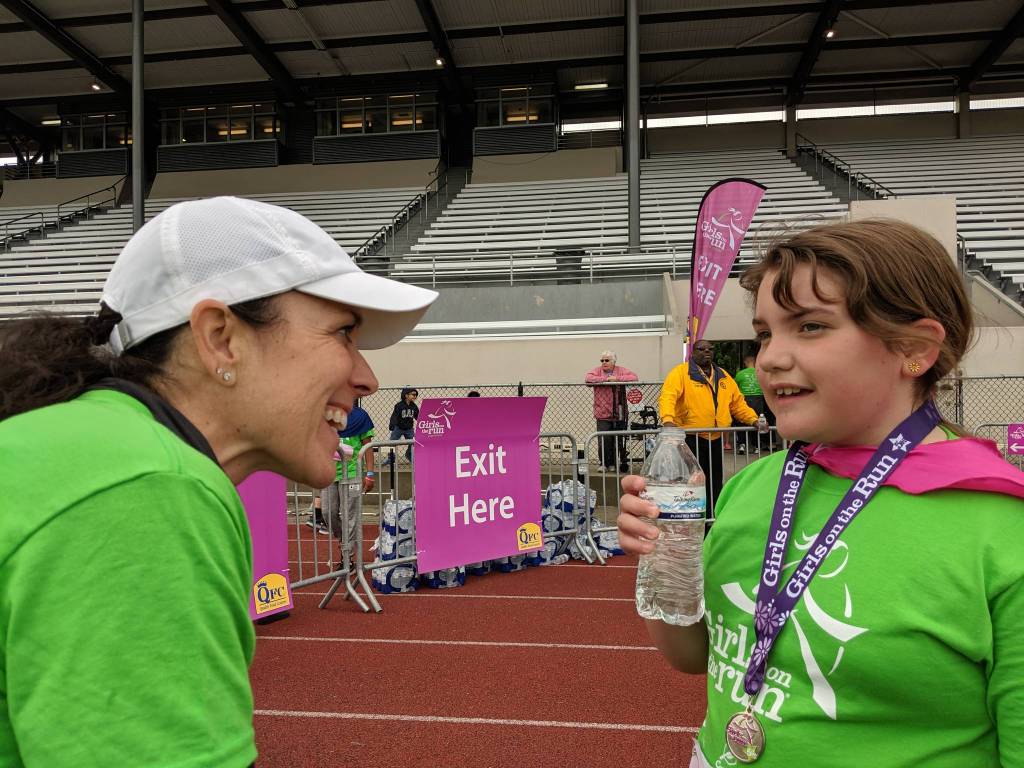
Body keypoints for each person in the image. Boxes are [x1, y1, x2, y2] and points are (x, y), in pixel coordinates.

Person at [0, 196, 438, 767]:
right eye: (342, 334)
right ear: (220, 337)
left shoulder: (93, 446)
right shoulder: (146, 486)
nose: (367, 378)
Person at [618, 219, 1024, 767]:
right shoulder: (751, 487)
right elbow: (694, 657)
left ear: (915, 348)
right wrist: (664, 556)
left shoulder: (1002, 532)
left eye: (809, 327)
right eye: (764, 333)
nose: (769, 359)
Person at [659, 339, 762, 515]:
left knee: (714, 482)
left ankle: (712, 519)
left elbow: (737, 404)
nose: (707, 352)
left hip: (714, 438)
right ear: (693, 352)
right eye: (701, 349)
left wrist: (753, 420)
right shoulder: (680, 373)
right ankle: (693, 517)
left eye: (710, 349)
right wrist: (668, 420)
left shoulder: (723, 376)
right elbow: (668, 396)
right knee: (693, 482)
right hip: (691, 438)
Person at [323, 402, 375, 571]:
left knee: (349, 515)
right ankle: (344, 542)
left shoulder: (361, 417)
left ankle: (348, 557)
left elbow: (368, 447)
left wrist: (370, 474)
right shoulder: (325, 415)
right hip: (329, 472)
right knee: (327, 512)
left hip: (352, 473)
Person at [585, 350, 639, 473]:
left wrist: (617, 379)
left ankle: (613, 463)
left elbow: (634, 377)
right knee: (603, 439)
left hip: (619, 411)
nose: (604, 362)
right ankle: (603, 463)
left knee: (617, 439)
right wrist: (605, 380)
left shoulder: (621, 370)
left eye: (607, 360)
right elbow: (588, 378)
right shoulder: (597, 371)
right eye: (602, 360)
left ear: (613, 361)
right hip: (602, 411)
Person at [734, 353, 774, 453]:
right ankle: (756, 446)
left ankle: (742, 445)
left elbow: (734, 388)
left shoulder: (740, 374)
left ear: (745, 362)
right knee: (758, 420)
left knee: (741, 421)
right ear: (755, 362)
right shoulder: (761, 373)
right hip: (759, 399)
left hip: (744, 398)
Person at [383, 387, 418, 464]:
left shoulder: (414, 407)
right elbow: (394, 416)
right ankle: (391, 458)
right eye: (413, 394)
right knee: (392, 442)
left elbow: (418, 416)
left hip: (409, 429)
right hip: (398, 428)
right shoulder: (399, 406)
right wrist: (392, 425)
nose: (415, 396)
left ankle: (409, 454)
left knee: (413, 443)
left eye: (416, 395)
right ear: (406, 395)